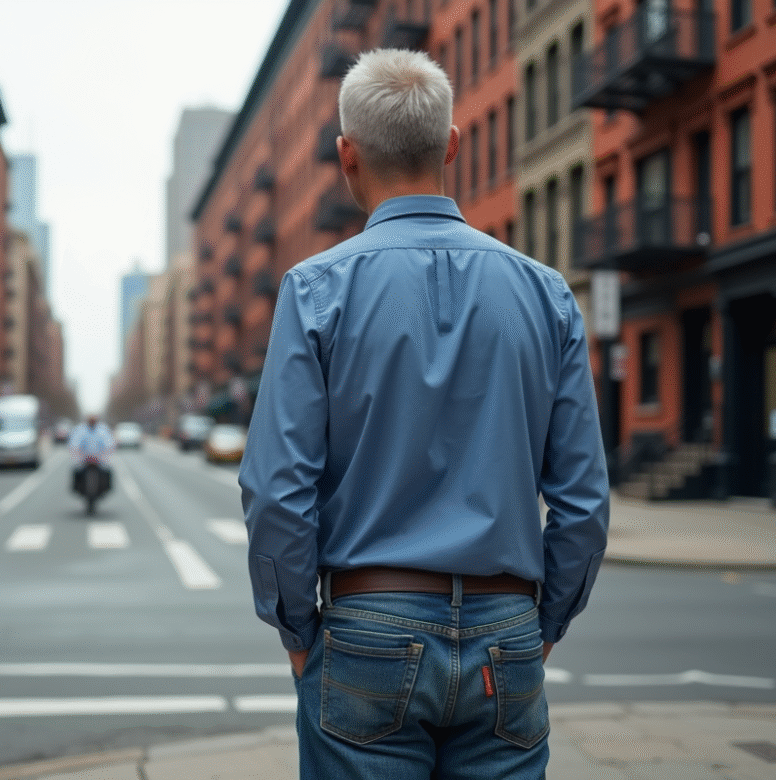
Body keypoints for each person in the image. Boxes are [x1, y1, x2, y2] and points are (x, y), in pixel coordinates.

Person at [239, 48, 610, 780]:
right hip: (508, 634)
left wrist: (298, 631)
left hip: (365, 629)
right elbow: (584, 500)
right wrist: (545, 625)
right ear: (453, 145)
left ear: (346, 155)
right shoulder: (547, 294)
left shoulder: (316, 290)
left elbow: (277, 488)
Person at [68, 414, 115, 492]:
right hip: (84, 460)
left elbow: (109, 444)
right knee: (76, 472)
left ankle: (105, 489)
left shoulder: (103, 430)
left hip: (99, 460)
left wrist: (103, 456)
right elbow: (74, 443)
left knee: (108, 473)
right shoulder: (80, 429)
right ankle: (77, 488)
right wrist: (80, 455)